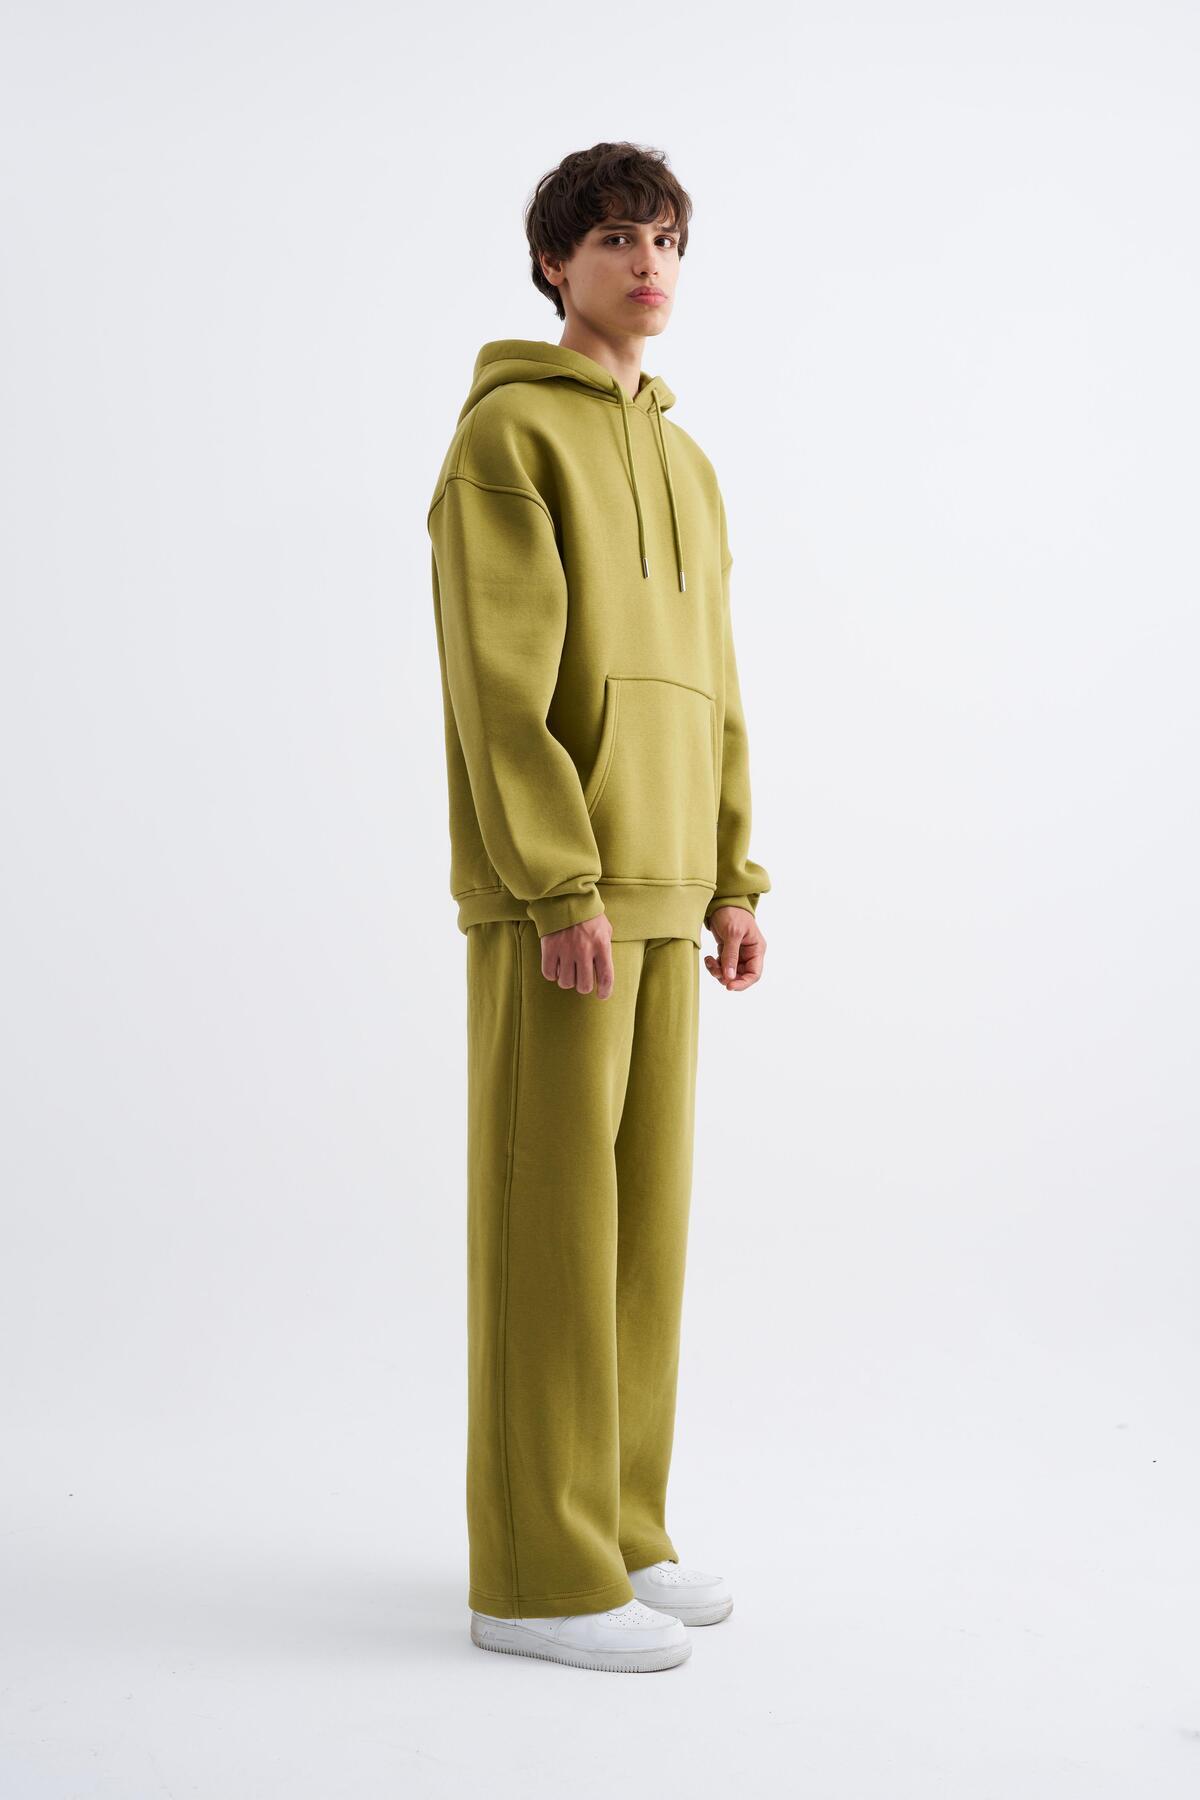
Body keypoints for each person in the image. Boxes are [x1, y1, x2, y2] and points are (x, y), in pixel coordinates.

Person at [426, 141, 771, 1674]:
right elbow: (501, 685)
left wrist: (732, 873)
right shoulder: (508, 437)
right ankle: (535, 1576)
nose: (649, 264)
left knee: (639, 1242)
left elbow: (715, 685)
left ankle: (622, 1528)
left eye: (669, 240)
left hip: (668, 891)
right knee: (551, 1235)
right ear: (554, 264)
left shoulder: (689, 466)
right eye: (619, 238)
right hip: (557, 899)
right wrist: (556, 876)